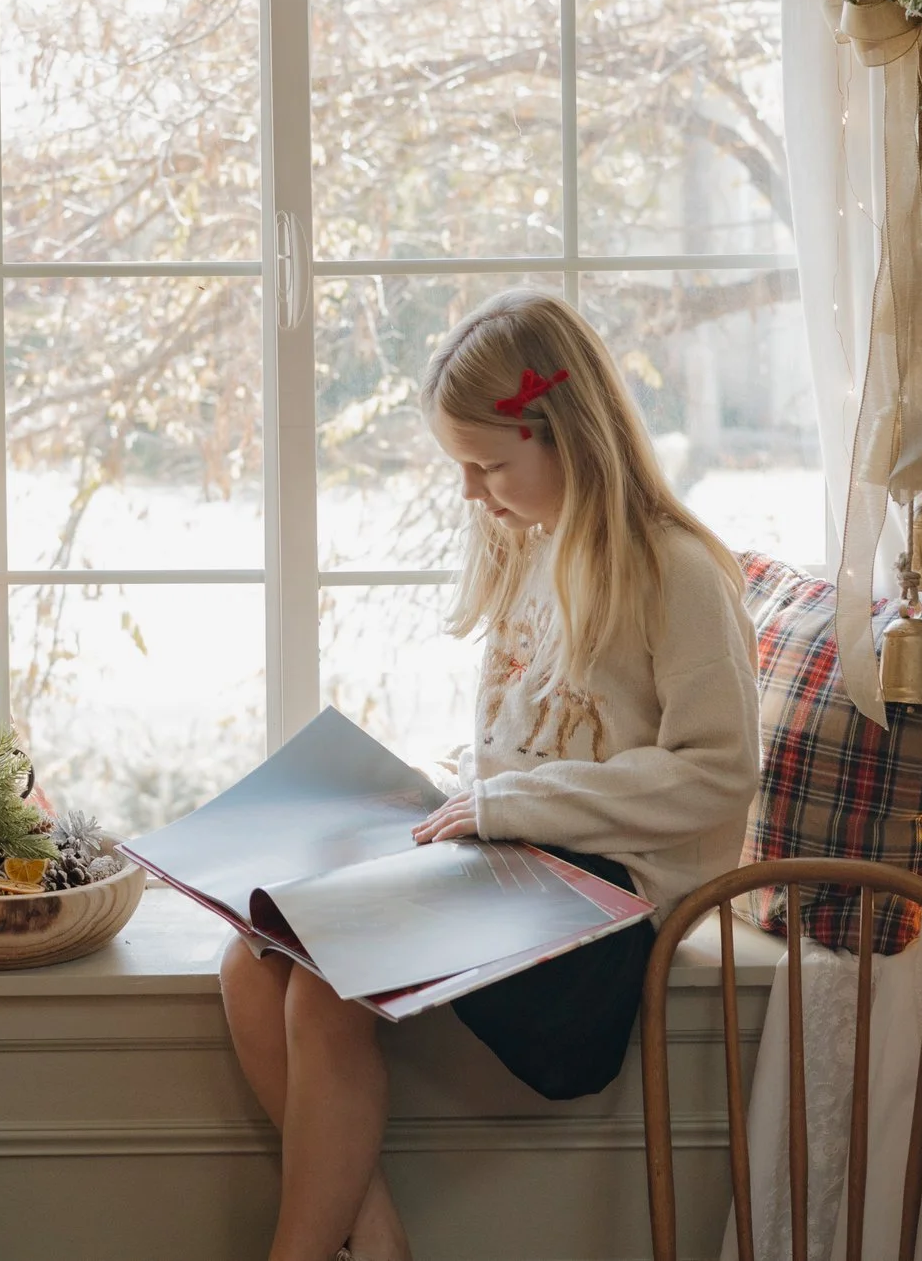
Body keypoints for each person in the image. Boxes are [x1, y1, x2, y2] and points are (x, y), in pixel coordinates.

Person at [219, 288, 763, 1261]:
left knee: (320, 985)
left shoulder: (676, 571)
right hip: (517, 865)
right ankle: (372, 1234)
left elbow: (716, 773)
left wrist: (504, 802)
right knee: (248, 959)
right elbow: (529, 747)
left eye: (486, 464)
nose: (472, 491)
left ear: (566, 436)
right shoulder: (532, 552)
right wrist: (437, 806)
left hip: (608, 906)